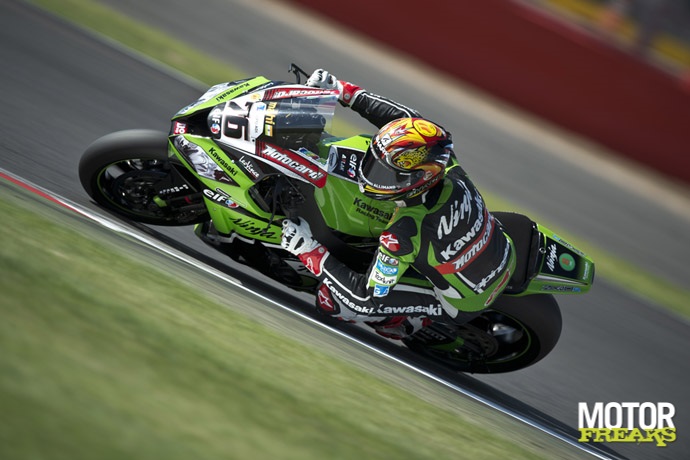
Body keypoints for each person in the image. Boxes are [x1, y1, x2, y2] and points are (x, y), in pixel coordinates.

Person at [281, 69, 516, 340]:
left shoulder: (403, 233)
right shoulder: (444, 161)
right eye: (374, 164)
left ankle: (399, 323)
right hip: (501, 249)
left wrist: (309, 251)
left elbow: (365, 297)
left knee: (333, 303)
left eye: (386, 175)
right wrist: (343, 90)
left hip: (466, 297)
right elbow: (406, 119)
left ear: (420, 178)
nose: (371, 178)